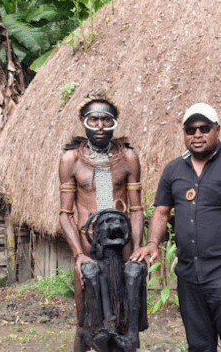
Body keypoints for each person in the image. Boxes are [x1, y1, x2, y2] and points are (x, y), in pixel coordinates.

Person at [130, 102, 221, 352]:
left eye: (204, 128)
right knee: (199, 346)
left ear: (217, 129)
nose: (197, 135)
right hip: (189, 275)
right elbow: (161, 211)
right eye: (190, 130)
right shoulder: (174, 170)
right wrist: (152, 243)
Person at [58, 92, 145, 352]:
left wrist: (137, 248)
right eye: (93, 119)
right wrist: (78, 255)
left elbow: (137, 209)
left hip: (123, 247)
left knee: (124, 316)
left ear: (115, 123)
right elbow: (65, 213)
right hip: (88, 248)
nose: (99, 126)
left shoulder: (128, 158)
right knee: (86, 316)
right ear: (83, 122)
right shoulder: (71, 160)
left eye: (106, 120)